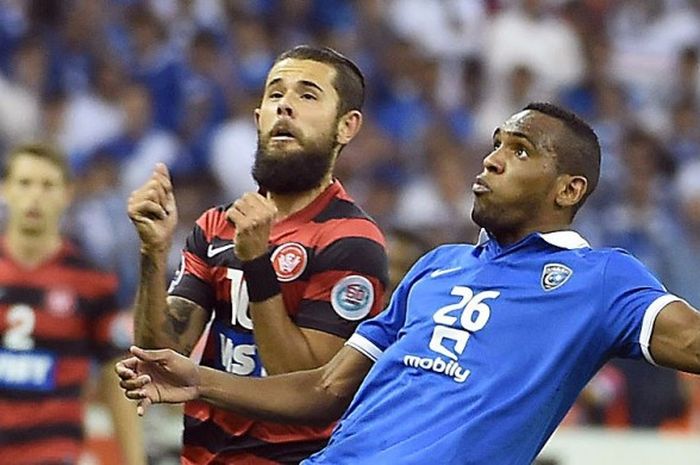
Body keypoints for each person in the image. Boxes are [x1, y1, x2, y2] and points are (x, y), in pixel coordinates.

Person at [117, 102, 700, 464]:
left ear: (569, 190)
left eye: (519, 151)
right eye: (495, 143)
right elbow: (322, 388)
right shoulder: (436, 266)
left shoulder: (601, 279)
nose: (492, 159)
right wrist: (199, 379)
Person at [126, 45, 387, 464]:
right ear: (258, 118)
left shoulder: (352, 240)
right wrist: (153, 251)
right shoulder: (216, 226)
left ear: (347, 126)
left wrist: (258, 263)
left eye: (307, 95)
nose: (285, 106)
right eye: (275, 94)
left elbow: (307, 388)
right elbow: (160, 354)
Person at [0, 143, 145, 465]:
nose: (35, 195)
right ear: (6, 189)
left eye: (47, 185)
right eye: (24, 183)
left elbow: (115, 375)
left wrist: (135, 460)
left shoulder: (93, 282)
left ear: (67, 193)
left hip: (52, 453)